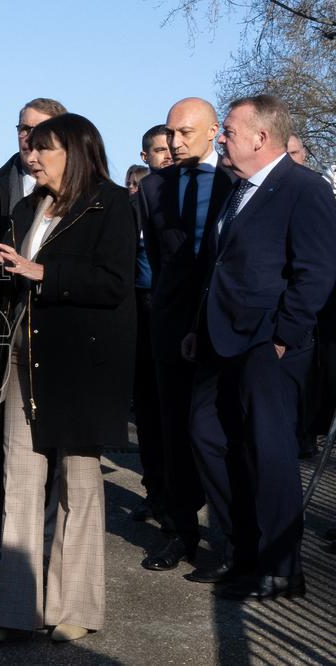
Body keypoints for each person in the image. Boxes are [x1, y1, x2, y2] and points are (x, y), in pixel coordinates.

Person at [0, 113, 135, 643]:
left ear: (75, 151)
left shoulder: (111, 203)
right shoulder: (25, 208)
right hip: (24, 360)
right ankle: (15, 612)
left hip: (81, 366)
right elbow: (19, 284)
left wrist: (42, 272)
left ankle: (74, 608)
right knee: (19, 483)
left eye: (44, 148)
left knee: (78, 484)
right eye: (30, 147)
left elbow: (115, 282)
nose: (31, 157)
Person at [184, 94, 336, 600]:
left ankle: (281, 568)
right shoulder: (235, 190)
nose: (221, 139)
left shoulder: (303, 188)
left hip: (269, 344)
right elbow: (218, 266)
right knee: (208, 436)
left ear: (261, 137)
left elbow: (316, 272)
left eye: (228, 130)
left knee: (269, 452)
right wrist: (197, 325)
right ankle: (242, 551)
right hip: (219, 339)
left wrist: (283, 337)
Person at [135, 98, 234, 577]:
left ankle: (232, 538)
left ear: (214, 131)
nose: (173, 143)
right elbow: (159, 258)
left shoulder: (237, 181)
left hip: (225, 324)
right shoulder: (154, 187)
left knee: (221, 434)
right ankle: (179, 531)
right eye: (170, 134)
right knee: (172, 431)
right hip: (171, 324)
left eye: (185, 133)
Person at [0, 97, 66, 530]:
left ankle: (42, 535)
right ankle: (8, 537)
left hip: (54, 335)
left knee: (49, 443)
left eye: (40, 130)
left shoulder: (85, 195)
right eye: (23, 128)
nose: (29, 137)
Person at [128, 124, 174, 527]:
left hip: (176, 311)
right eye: (160, 149)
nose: (168, 154)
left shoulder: (188, 198)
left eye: (171, 147)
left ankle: (179, 498)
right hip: (141, 310)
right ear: (146, 157)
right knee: (147, 411)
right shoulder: (134, 204)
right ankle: (155, 492)